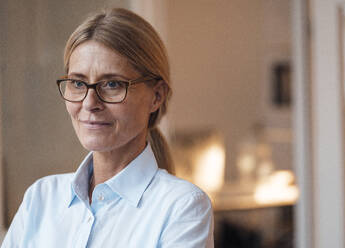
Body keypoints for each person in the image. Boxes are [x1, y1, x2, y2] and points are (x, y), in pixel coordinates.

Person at [2, 8, 214, 248]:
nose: (90, 103)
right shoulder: (40, 198)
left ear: (156, 96)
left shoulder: (183, 208)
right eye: (78, 83)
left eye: (112, 84)